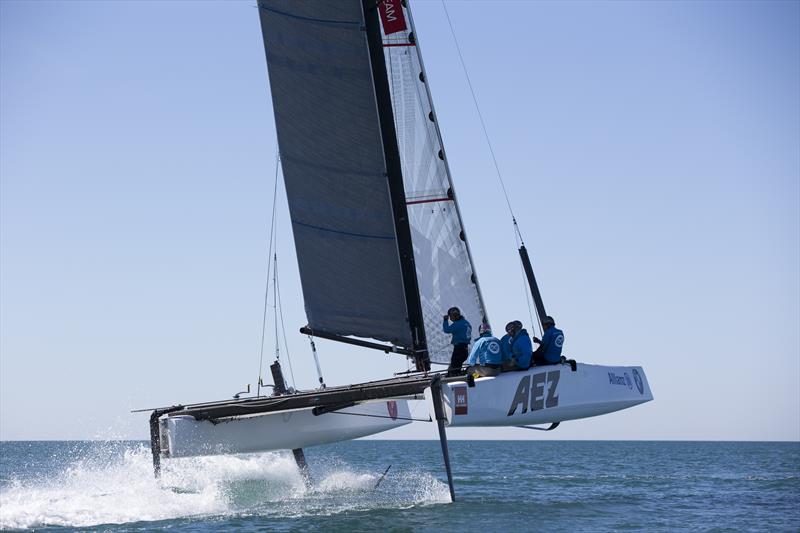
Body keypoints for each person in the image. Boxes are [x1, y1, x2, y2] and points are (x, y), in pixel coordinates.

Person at [443, 306, 472, 375]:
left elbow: (446, 329)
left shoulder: (457, 324)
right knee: (456, 368)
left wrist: (445, 320)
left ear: (453, 316)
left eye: (450, 317)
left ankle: (455, 378)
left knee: (453, 370)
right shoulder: (467, 323)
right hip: (465, 350)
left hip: (459, 350)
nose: (450, 318)